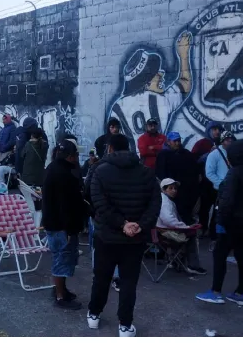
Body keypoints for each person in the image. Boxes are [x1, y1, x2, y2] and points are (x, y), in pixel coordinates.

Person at [87, 134, 161, 337]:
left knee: (101, 277)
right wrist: (139, 225)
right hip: (134, 239)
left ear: (109, 148)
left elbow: (98, 203)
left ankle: (94, 314)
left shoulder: (100, 171)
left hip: (106, 236)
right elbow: (155, 204)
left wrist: (121, 223)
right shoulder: (147, 173)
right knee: (128, 282)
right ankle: (125, 326)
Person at [196, 140, 243, 307]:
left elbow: (227, 200)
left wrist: (221, 222)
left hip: (232, 222)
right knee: (242, 257)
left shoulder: (234, 173)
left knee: (219, 255)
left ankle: (215, 292)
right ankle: (240, 293)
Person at [42, 138, 88, 309]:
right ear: (70, 156)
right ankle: (60, 295)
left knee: (62, 258)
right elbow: (65, 204)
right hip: (61, 226)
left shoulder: (54, 169)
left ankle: (61, 290)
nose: (77, 158)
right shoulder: (62, 174)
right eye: (75, 154)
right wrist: (69, 228)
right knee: (62, 259)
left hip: (57, 224)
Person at [157, 178, 206, 275]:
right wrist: (185, 227)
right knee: (190, 236)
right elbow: (168, 220)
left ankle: (175, 261)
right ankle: (192, 265)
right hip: (164, 231)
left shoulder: (165, 200)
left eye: (175, 188)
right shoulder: (165, 202)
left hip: (163, 230)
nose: (174, 190)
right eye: (171, 188)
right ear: (164, 189)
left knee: (187, 232)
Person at [155, 132, 199, 225]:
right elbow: (160, 172)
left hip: (186, 190)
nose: (177, 143)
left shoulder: (186, 153)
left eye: (178, 141)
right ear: (169, 141)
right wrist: (169, 186)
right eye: (175, 141)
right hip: (171, 190)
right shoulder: (163, 155)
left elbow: (194, 169)